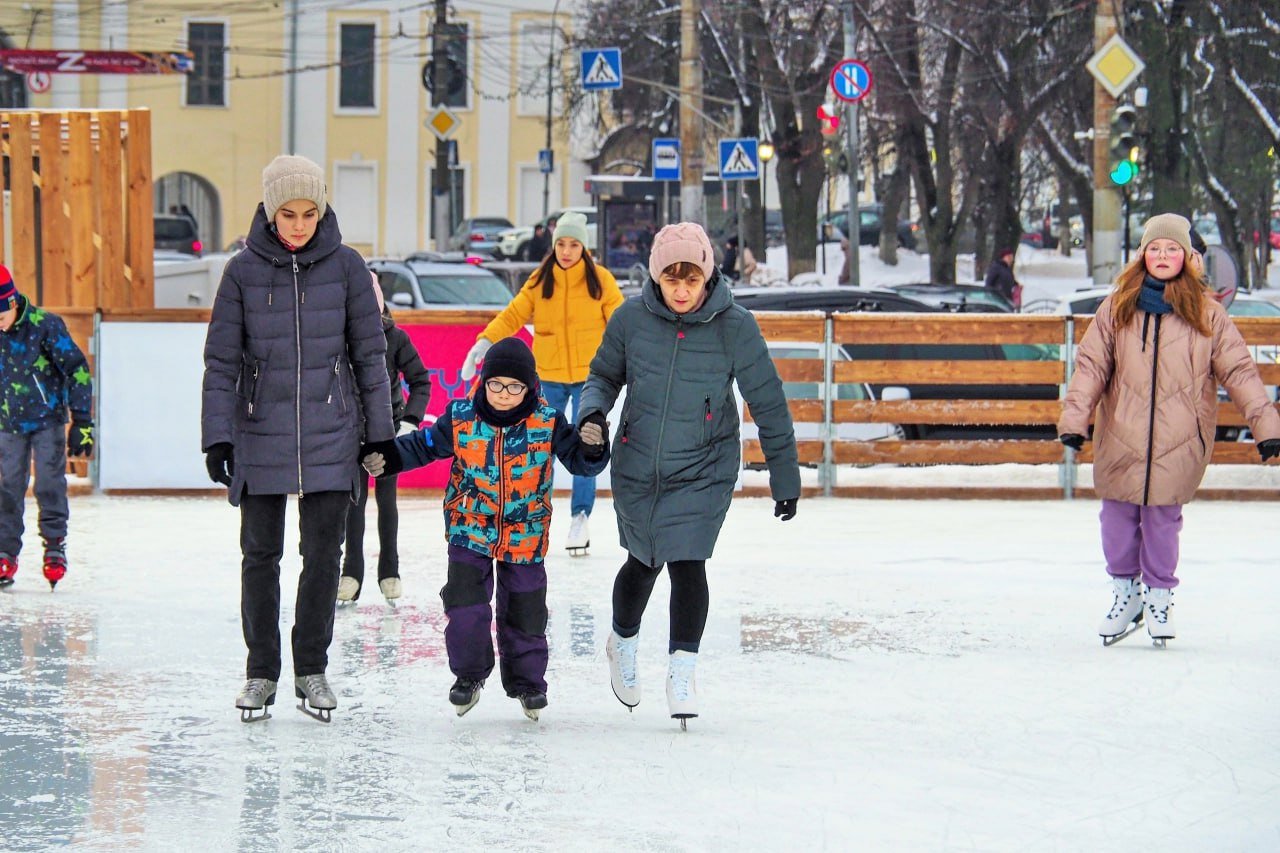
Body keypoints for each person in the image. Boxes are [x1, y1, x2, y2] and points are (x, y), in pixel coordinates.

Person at [577, 222, 800, 727]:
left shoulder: (734, 325)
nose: (682, 289)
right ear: (657, 277)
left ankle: (683, 669)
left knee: (688, 563)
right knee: (642, 562)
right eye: (672, 279)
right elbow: (604, 376)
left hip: (704, 465)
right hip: (639, 463)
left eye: (691, 279)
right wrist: (592, 416)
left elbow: (768, 401)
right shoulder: (630, 319)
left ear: (707, 277)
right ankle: (623, 643)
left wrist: (784, 478)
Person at [202, 154, 395, 723]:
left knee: (323, 556)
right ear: (269, 210)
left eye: (309, 213)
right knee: (260, 556)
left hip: (333, 433)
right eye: (288, 214)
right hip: (260, 431)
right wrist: (219, 437)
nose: (299, 225)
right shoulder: (241, 272)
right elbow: (221, 362)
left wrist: (377, 435)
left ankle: (311, 668)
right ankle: (261, 671)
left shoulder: (348, 269)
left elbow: (370, 358)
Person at [1058, 213, 1280, 648]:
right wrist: (1074, 419)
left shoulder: (1208, 315)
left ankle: (1159, 598)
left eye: (1172, 249)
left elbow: (1239, 371)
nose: (1163, 256)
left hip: (1180, 437)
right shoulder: (1117, 308)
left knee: (1162, 521)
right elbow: (1090, 368)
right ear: (1142, 255)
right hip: (1120, 433)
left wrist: (1266, 426)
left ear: (1188, 257)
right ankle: (1127, 595)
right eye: (1155, 248)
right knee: (1117, 521)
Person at [359, 337, 609, 720]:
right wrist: (390, 455)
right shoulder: (462, 418)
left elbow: (580, 462)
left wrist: (593, 449)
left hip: (525, 532)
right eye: (495, 385)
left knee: (525, 610)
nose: (504, 394)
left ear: (530, 388)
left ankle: (527, 684)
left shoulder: (547, 421)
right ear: (483, 383)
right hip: (469, 526)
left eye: (514, 387)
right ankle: (469, 676)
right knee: (465, 606)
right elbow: (423, 445)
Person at [459, 210, 623, 556]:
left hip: (589, 378)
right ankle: (532, 510)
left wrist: (632, 360)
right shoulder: (540, 279)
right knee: (536, 447)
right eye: (561, 243)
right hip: (548, 377)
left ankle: (580, 516)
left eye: (574, 244)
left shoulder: (601, 281)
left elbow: (622, 324)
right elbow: (514, 314)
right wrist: (485, 342)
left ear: (584, 247)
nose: (566, 250)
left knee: (585, 444)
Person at [338, 275, 432, 604]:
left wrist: (409, 420)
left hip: (387, 430)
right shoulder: (339, 337)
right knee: (354, 503)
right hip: (350, 434)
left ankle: (389, 571)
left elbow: (420, 379)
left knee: (387, 502)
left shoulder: (395, 338)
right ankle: (351, 573)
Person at [0, 264, 93, 591]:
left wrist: (82, 420)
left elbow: (77, 370)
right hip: (7, 423)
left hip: (47, 420)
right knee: (8, 486)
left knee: (49, 484)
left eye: (0, 314)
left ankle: (54, 545)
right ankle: (4, 552)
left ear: (12, 302)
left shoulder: (45, 326)